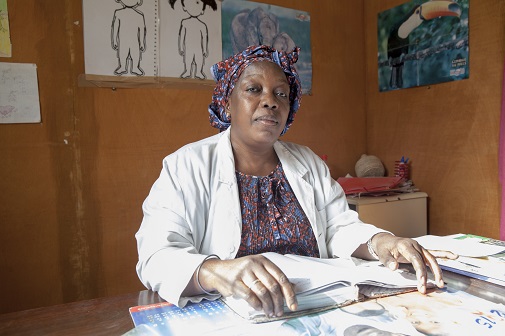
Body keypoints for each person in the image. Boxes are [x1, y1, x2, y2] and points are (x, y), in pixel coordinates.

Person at [135, 45, 457, 319]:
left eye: (281, 94)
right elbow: (156, 256)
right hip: (235, 317)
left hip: (318, 308)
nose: (270, 101)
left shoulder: (307, 162)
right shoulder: (186, 166)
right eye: (253, 89)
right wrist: (218, 272)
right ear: (226, 104)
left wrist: (382, 242)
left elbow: (339, 227)